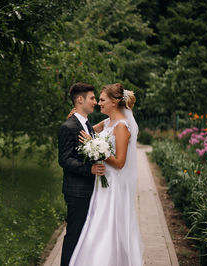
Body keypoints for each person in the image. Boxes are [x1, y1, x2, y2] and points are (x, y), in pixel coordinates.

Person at [69, 83, 144, 266]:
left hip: (112, 185)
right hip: (100, 182)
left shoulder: (121, 126)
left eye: (102, 100)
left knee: (106, 226)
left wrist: (99, 151)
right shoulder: (107, 123)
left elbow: (119, 163)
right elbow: (86, 132)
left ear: (114, 102)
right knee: (97, 223)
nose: (99, 103)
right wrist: (76, 117)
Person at [57, 82, 106, 266]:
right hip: (77, 191)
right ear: (80, 99)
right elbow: (64, 160)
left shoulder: (88, 126)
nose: (95, 102)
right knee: (74, 235)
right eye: (92, 98)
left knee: (85, 236)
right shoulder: (68, 127)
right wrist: (89, 169)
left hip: (90, 189)